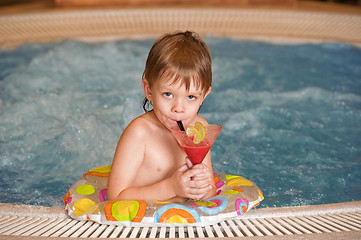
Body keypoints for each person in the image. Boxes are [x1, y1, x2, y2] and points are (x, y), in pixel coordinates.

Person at [107, 30, 216, 202]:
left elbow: (209, 193)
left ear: (204, 96)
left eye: (191, 97)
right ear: (149, 90)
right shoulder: (139, 133)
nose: (178, 108)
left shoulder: (199, 129)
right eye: (168, 94)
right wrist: (171, 187)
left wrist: (201, 188)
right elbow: (114, 197)